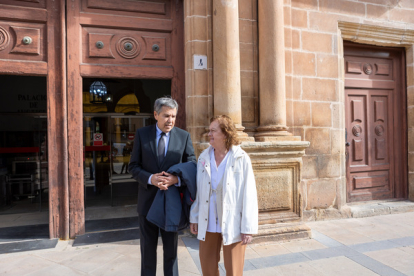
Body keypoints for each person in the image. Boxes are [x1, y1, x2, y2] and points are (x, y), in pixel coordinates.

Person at [129, 97, 196, 276]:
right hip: (147, 203)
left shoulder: (183, 136)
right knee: (148, 252)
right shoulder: (142, 135)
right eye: (166, 116)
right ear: (156, 115)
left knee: (171, 252)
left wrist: (176, 179)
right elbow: (133, 166)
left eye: (173, 116)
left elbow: (192, 166)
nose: (170, 120)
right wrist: (151, 178)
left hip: (171, 204)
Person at [189, 115, 258, 276]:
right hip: (208, 221)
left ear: (225, 134)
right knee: (207, 268)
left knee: (234, 270)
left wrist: (248, 228)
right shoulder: (203, 157)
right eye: (209, 131)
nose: (209, 134)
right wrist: (195, 216)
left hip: (233, 222)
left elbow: (249, 194)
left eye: (213, 131)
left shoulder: (241, 159)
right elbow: (200, 191)